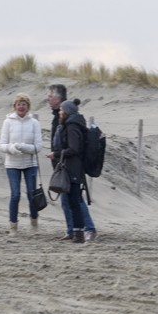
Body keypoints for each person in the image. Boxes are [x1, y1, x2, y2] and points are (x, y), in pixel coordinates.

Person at [46, 84, 97, 242]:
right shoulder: (60, 117)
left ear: (59, 99)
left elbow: (73, 147)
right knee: (66, 200)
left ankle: (87, 229)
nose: (47, 98)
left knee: (75, 199)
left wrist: (57, 154)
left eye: (50, 96)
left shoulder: (70, 121)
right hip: (62, 163)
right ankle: (72, 230)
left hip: (69, 165)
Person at [0, 92, 42, 235]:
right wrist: (12, 148)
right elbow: (2, 145)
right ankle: (13, 227)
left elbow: (38, 147)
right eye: (19, 104)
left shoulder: (34, 123)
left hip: (30, 163)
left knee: (31, 194)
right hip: (12, 164)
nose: (21, 107)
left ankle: (34, 223)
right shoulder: (8, 122)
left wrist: (24, 147)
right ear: (14, 106)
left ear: (28, 106)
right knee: (15, 195)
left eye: (24, 104)